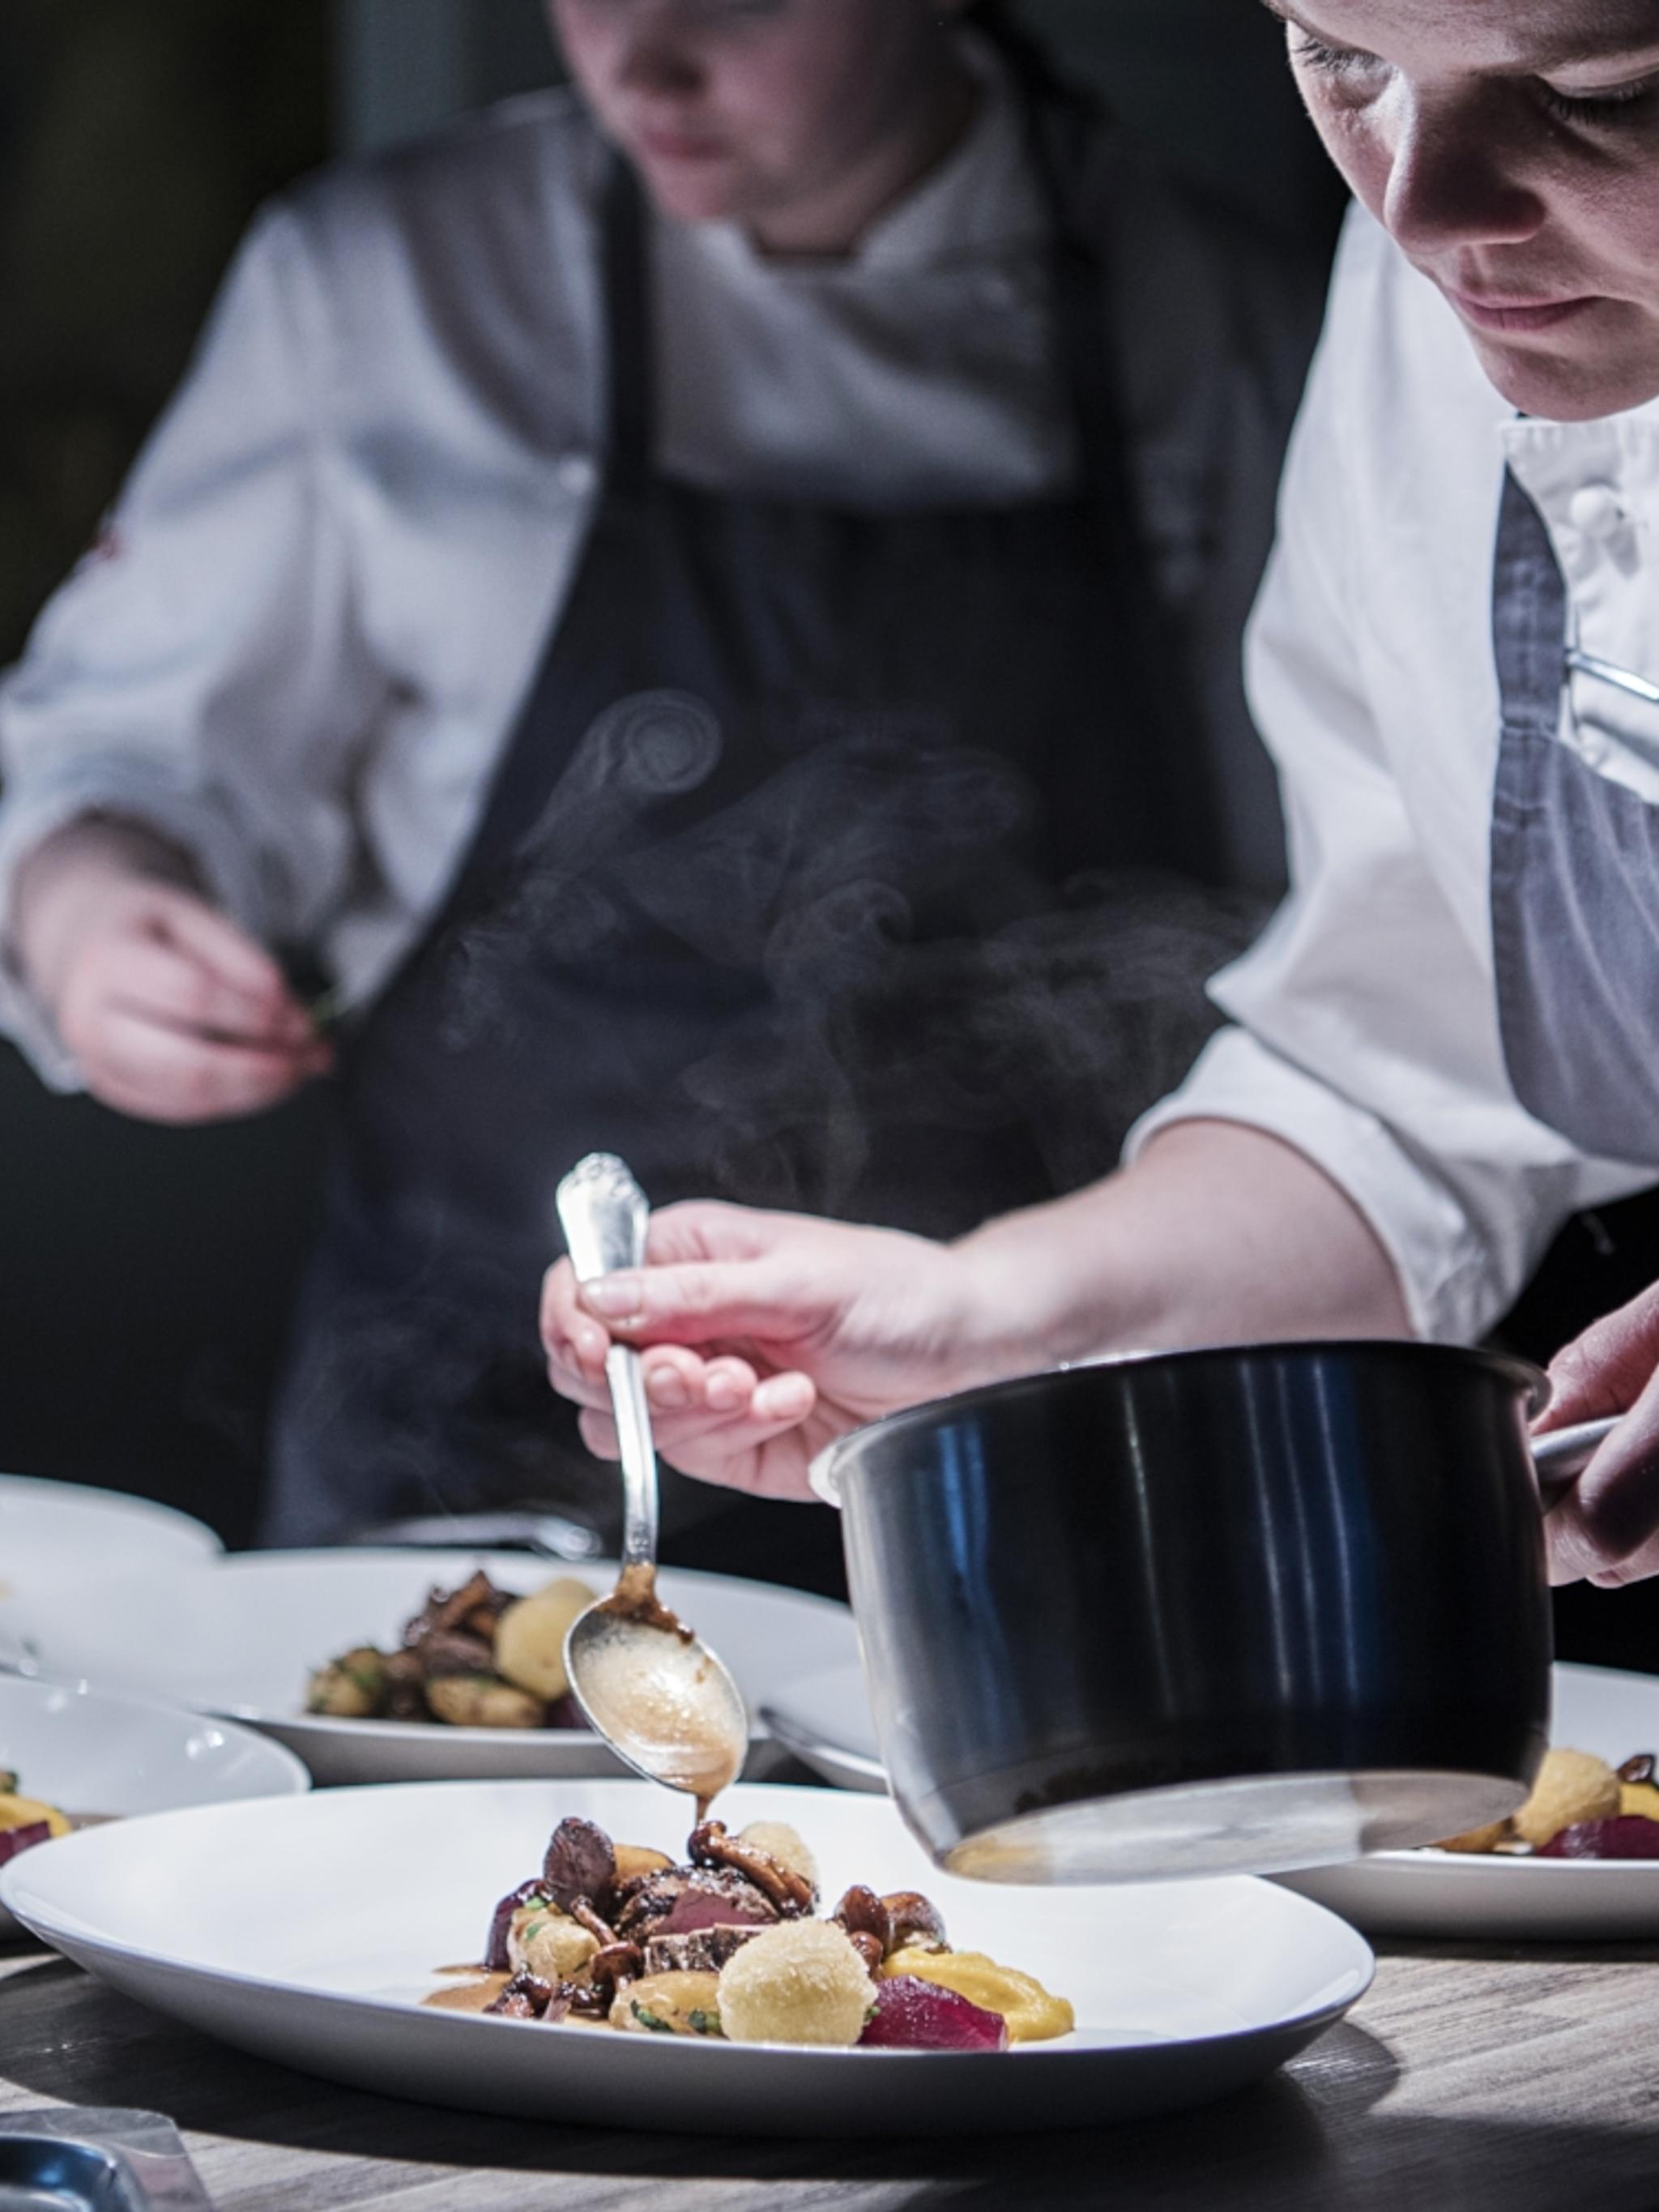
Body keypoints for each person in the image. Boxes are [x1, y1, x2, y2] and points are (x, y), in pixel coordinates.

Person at [0, 0, 1310, 1577]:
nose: (643, 56)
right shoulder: (393, 281)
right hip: (465, 1421)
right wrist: (88, 906)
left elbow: (1341, 937)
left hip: (1042, 1440)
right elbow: (110, 747)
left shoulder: (1218, 313)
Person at [543, 0, 1659, 1594]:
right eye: (1342, 57)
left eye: (1594, 92)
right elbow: (1403, 1073)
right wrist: (994, 1316)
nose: (1419, 208)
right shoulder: (1446, 291)